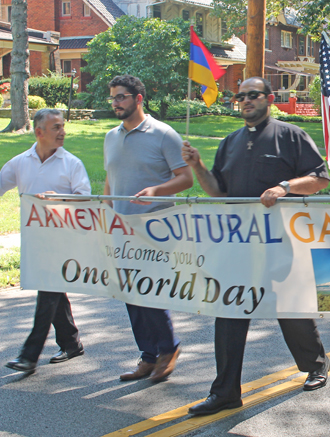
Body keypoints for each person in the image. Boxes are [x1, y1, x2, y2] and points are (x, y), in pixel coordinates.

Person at [182, 77, 330, 416]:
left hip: (282, 241)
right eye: (241, 96)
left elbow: (320, 180)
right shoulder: (230, 142)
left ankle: (316, 364)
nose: (246, 100)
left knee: (290, 309)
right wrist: (198, 167)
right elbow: (217, 191)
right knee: (230, 311)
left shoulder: (290, 136)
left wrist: (285, 187)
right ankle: (225, 392)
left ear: (269, 98)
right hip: (238, 244)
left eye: (253, 95)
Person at [104, 75, 193, 382]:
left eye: (122, 97)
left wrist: (156, 191)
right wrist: (105, 206)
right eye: (113, 98)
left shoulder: (163, 134)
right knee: (130, 293)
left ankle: (169, 349)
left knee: (149, 291)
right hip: (122, 229)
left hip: (156, 230)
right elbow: (110, 178)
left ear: (138, 99)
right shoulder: (110, 136)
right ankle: (148, 356)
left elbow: (186, 179)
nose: (116, 103)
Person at [2, 108, 90, 374]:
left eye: (63, 126)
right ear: (39, 132)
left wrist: (60, 200)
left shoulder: (71, 164)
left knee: (49, 292)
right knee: (54, 293)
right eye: (56, 128)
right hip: (36, 242)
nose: (62, 132)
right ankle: (71, 343)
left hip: (64, 242)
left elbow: (85, 198)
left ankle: (29, 356)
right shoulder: (20, 163)